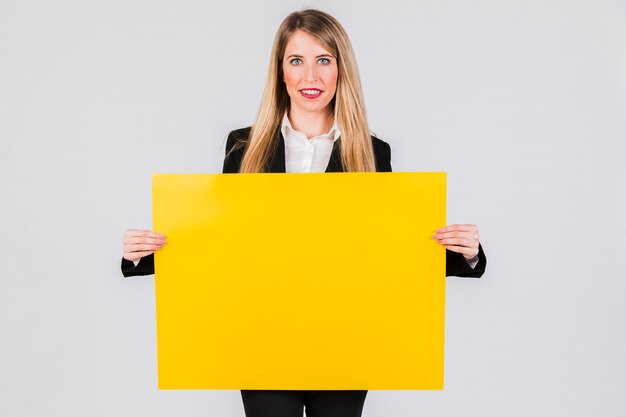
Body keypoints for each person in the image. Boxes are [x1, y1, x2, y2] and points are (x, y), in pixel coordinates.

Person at [121, 8, 486, 417]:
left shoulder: (371, 151)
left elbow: (385, 252)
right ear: (280, 72)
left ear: (340, 70)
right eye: (297, 61)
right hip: (263, 336)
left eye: (323, 61)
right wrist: (147, 253)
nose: (310, 77)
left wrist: (464, 252)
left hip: (344, 338)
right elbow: (224, 244)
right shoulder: (242, 148)